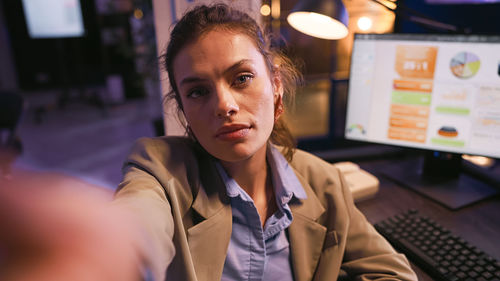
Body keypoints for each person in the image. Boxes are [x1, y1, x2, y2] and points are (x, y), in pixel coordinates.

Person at [114, 3, 418, 281]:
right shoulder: (158, 171)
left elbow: (393, 274)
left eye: (242, 77)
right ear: (184, 111)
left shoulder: (324, 182)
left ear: (276, 86)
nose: (224, 104)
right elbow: (132, 235)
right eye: (197, 92)